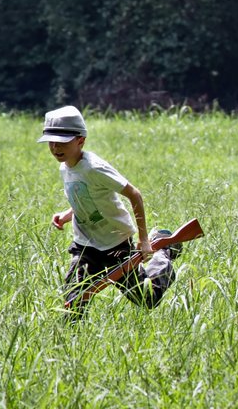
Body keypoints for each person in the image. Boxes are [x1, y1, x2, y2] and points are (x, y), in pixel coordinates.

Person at [38, 105, 181, 321]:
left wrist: (143, 240)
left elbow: (135, 194)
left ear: (80, 141)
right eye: (52, 142)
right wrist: (67, 215)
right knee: (73, 302)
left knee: (147, 298)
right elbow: (85, 197)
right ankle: (72, 344)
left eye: (62, 142)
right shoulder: (65, 166)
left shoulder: (94, 168)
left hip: (115, 244)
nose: (56, 148)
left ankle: (163, 250)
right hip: (85, 245)